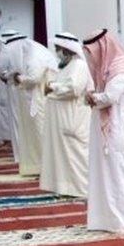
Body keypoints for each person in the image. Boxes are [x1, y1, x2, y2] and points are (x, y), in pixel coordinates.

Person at [83, 29, 124, 234]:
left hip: (122, 133)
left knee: (122, 178)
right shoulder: (108, 71)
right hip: (112, 134)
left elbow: (110, 97)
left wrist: (94, 98)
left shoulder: (121, 70)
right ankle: (108, 220)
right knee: (110, 177)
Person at [40, 33, 92, 197]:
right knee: (64, 156)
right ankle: (68, 188)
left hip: (73, 119)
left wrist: (52, 87)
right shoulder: (67, 66)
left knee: (76, 155)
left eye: (58, 49)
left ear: (66, 49)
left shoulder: (79, 65)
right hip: (63, 119)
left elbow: (74, 88)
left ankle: (82, 189)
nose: (57, 53)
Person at [9, 35, 56, 176]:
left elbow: (34, 78)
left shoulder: (35, 55)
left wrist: (18, 78)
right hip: (34, 99)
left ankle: (48, 169)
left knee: (41, 134)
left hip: (40, 100)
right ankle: (38, 167)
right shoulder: (28, 52)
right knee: (34, 135)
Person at [0, 31, 21, 158]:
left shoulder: (6, 50)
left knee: (9, 114)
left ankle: (9, 142)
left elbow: (1, 68)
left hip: (10, 87)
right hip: (5, 86)